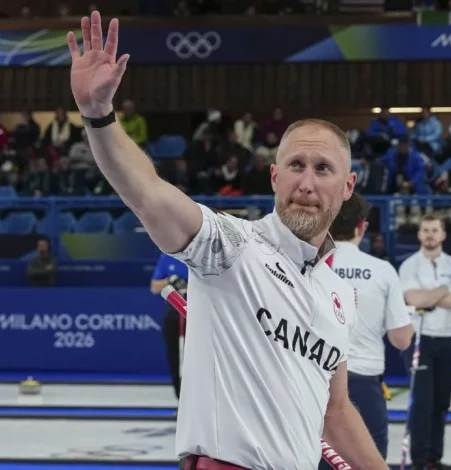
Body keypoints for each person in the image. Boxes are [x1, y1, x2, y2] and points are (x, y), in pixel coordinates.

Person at [66, 12, 388, 470]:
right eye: (296, 166)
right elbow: (149, 194)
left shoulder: (340, 296)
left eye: (323, 169)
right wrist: (99, 116)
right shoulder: (233, 245)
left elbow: (335, 412)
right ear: (275, 177)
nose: (307, 183)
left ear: (349, 186)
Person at [319, 192, 414, 466]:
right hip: (364, 383)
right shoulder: (382, 270)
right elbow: (402, 339)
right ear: (362, 227)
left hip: (317, 384)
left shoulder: (308, 266)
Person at [398, 213, 451, 470]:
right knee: (422, 403)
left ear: (443, 234)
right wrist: (444, 291)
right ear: (419, 234)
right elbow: (413, 299)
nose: (429, 234)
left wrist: (429, 297)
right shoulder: (409, 266)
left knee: (441, 402)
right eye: (425, 230)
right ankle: (418, 459)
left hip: (448, 338)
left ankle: (434, 458)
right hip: (421, 339)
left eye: (434, 230)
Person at [150, 252, 189, 399]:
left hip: (196, 316)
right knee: (175, 360)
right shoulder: (167, 257)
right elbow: (154, 287)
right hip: (173, 315)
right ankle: (181, 402)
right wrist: (170, 280)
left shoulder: (198, 255)